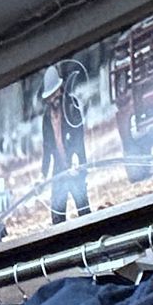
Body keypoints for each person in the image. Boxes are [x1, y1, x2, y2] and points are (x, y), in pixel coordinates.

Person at [40, 63, 90, 224]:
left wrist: (77, 160)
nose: (53, 99)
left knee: (83, 211)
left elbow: (78, 136)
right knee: (57, 215)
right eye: (50, 97)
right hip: (59, 172)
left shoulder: (71, 105)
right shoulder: (46, 118)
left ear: (60, 90)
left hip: (76, 168)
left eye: (55, 94)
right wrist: (43, 173)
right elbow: (47, 148)